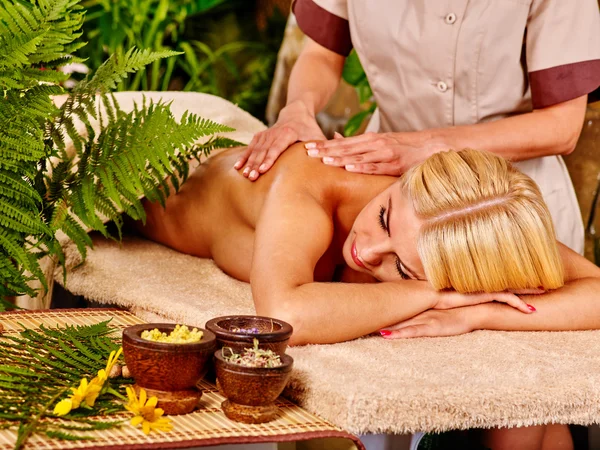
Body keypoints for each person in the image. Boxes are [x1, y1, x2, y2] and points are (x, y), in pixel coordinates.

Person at [136, 144, 599, 450]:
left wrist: (478, 315)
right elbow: (284, 315)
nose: (366, 252)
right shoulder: (308, 184)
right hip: (145, 183)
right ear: (406, 176)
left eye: (400, 265)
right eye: (383, 217)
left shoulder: (460, 221)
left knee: (534, 416)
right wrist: (429, 291)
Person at [234, 0, 600, 255]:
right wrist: (299, 109)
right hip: (385, 193)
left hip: (505, 202)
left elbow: (562, 126)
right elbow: (321, 54)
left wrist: (425, 146)